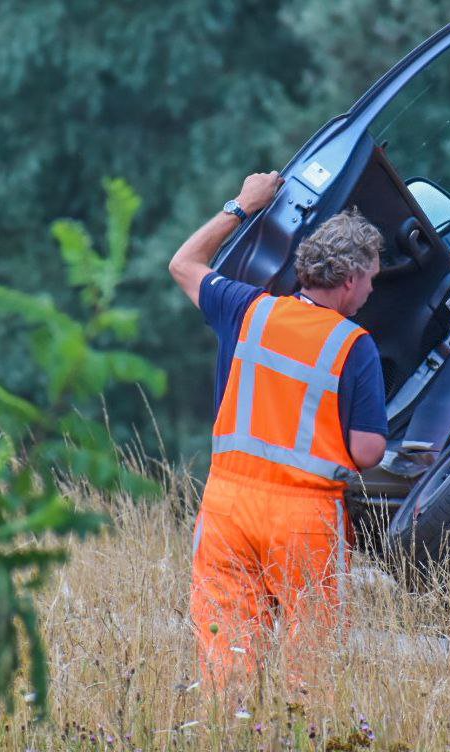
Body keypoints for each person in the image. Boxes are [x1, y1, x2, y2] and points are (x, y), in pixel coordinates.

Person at [169, 171, 388, 683]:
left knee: (227, 662)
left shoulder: (247, 310)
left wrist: (243, 205)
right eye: (373, 278)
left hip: (226, 507)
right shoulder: (355, 346)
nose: (373, 289)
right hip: (305, 520)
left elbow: (183, 263)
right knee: (307, 671)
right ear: (351, 279)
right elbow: (368, 451)